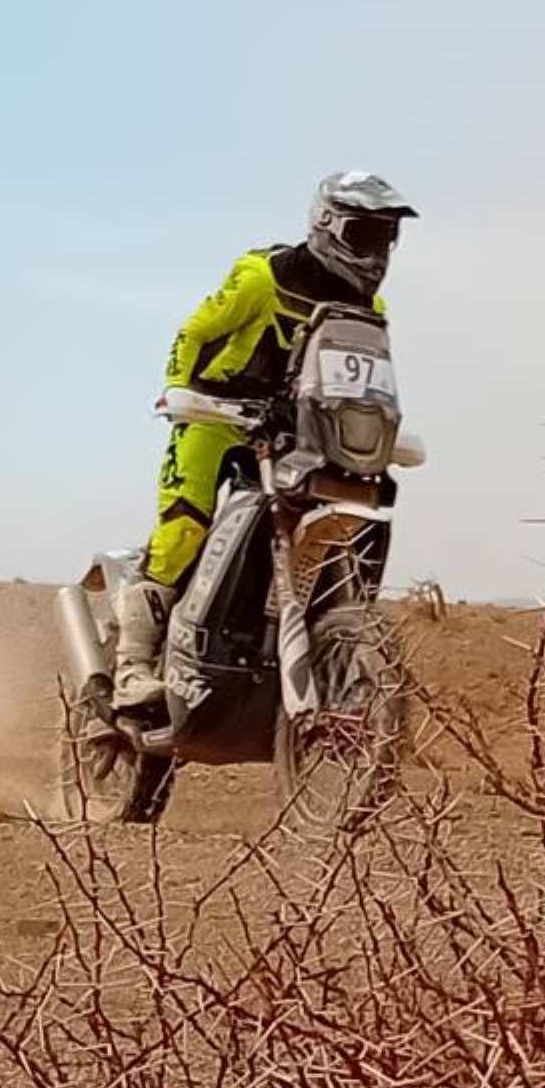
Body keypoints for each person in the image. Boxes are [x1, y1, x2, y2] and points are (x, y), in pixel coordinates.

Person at [112, 170, 418, 709]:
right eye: (364, 234)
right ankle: (131, 666)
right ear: (328, 224)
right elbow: (196, 331)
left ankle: (320, 647)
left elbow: (364, 384)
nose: (376, 251)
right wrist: (180, 390)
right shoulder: (262, 277)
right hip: (217, 417)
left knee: (334, 522)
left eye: (385, 236)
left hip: (297, 439)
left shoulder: (370, 311)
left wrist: (378, 429)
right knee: (184, 529)